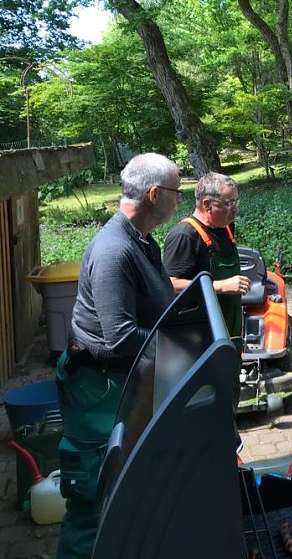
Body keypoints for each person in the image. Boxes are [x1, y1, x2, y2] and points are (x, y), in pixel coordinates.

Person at [56, 153, 181, 559]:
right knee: (92, 500)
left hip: (125, 382)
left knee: (126, 485)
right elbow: (120, 338)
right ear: (154, 194)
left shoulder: (144, 241)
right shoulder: (114, 250)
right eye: (177, 193)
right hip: (97, 387)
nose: (180, 201)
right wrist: (182, 353)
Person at [162, 172, 249, 407]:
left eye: (236, 202)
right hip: (200, 341)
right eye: (229, 203)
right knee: (207, 404)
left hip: (228, 333)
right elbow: (168, 285)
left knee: (229, 399)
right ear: (207, 204)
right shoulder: (185, 236)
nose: (235, 209)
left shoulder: (225, 229)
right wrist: (219, 286)